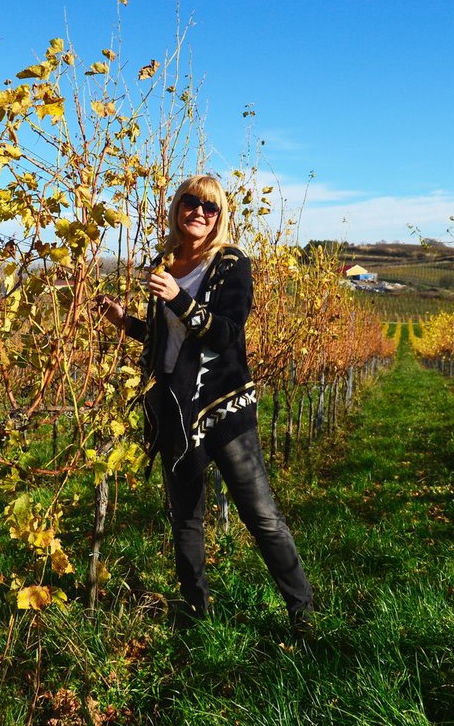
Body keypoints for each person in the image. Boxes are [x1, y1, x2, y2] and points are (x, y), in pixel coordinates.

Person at [96, 174, 314, 630]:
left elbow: (226, 333)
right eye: (191, 202)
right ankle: (196, 613)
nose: (199, 211)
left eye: (210, 207)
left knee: (261, 515)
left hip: (224, 408)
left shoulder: (231, 264)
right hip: (174, 408)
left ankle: (302, 612)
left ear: (220, 216)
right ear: (177, 208)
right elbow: (163, 340)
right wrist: (126, 322)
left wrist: (178, 300)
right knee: (185, 519)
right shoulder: (164, 263)